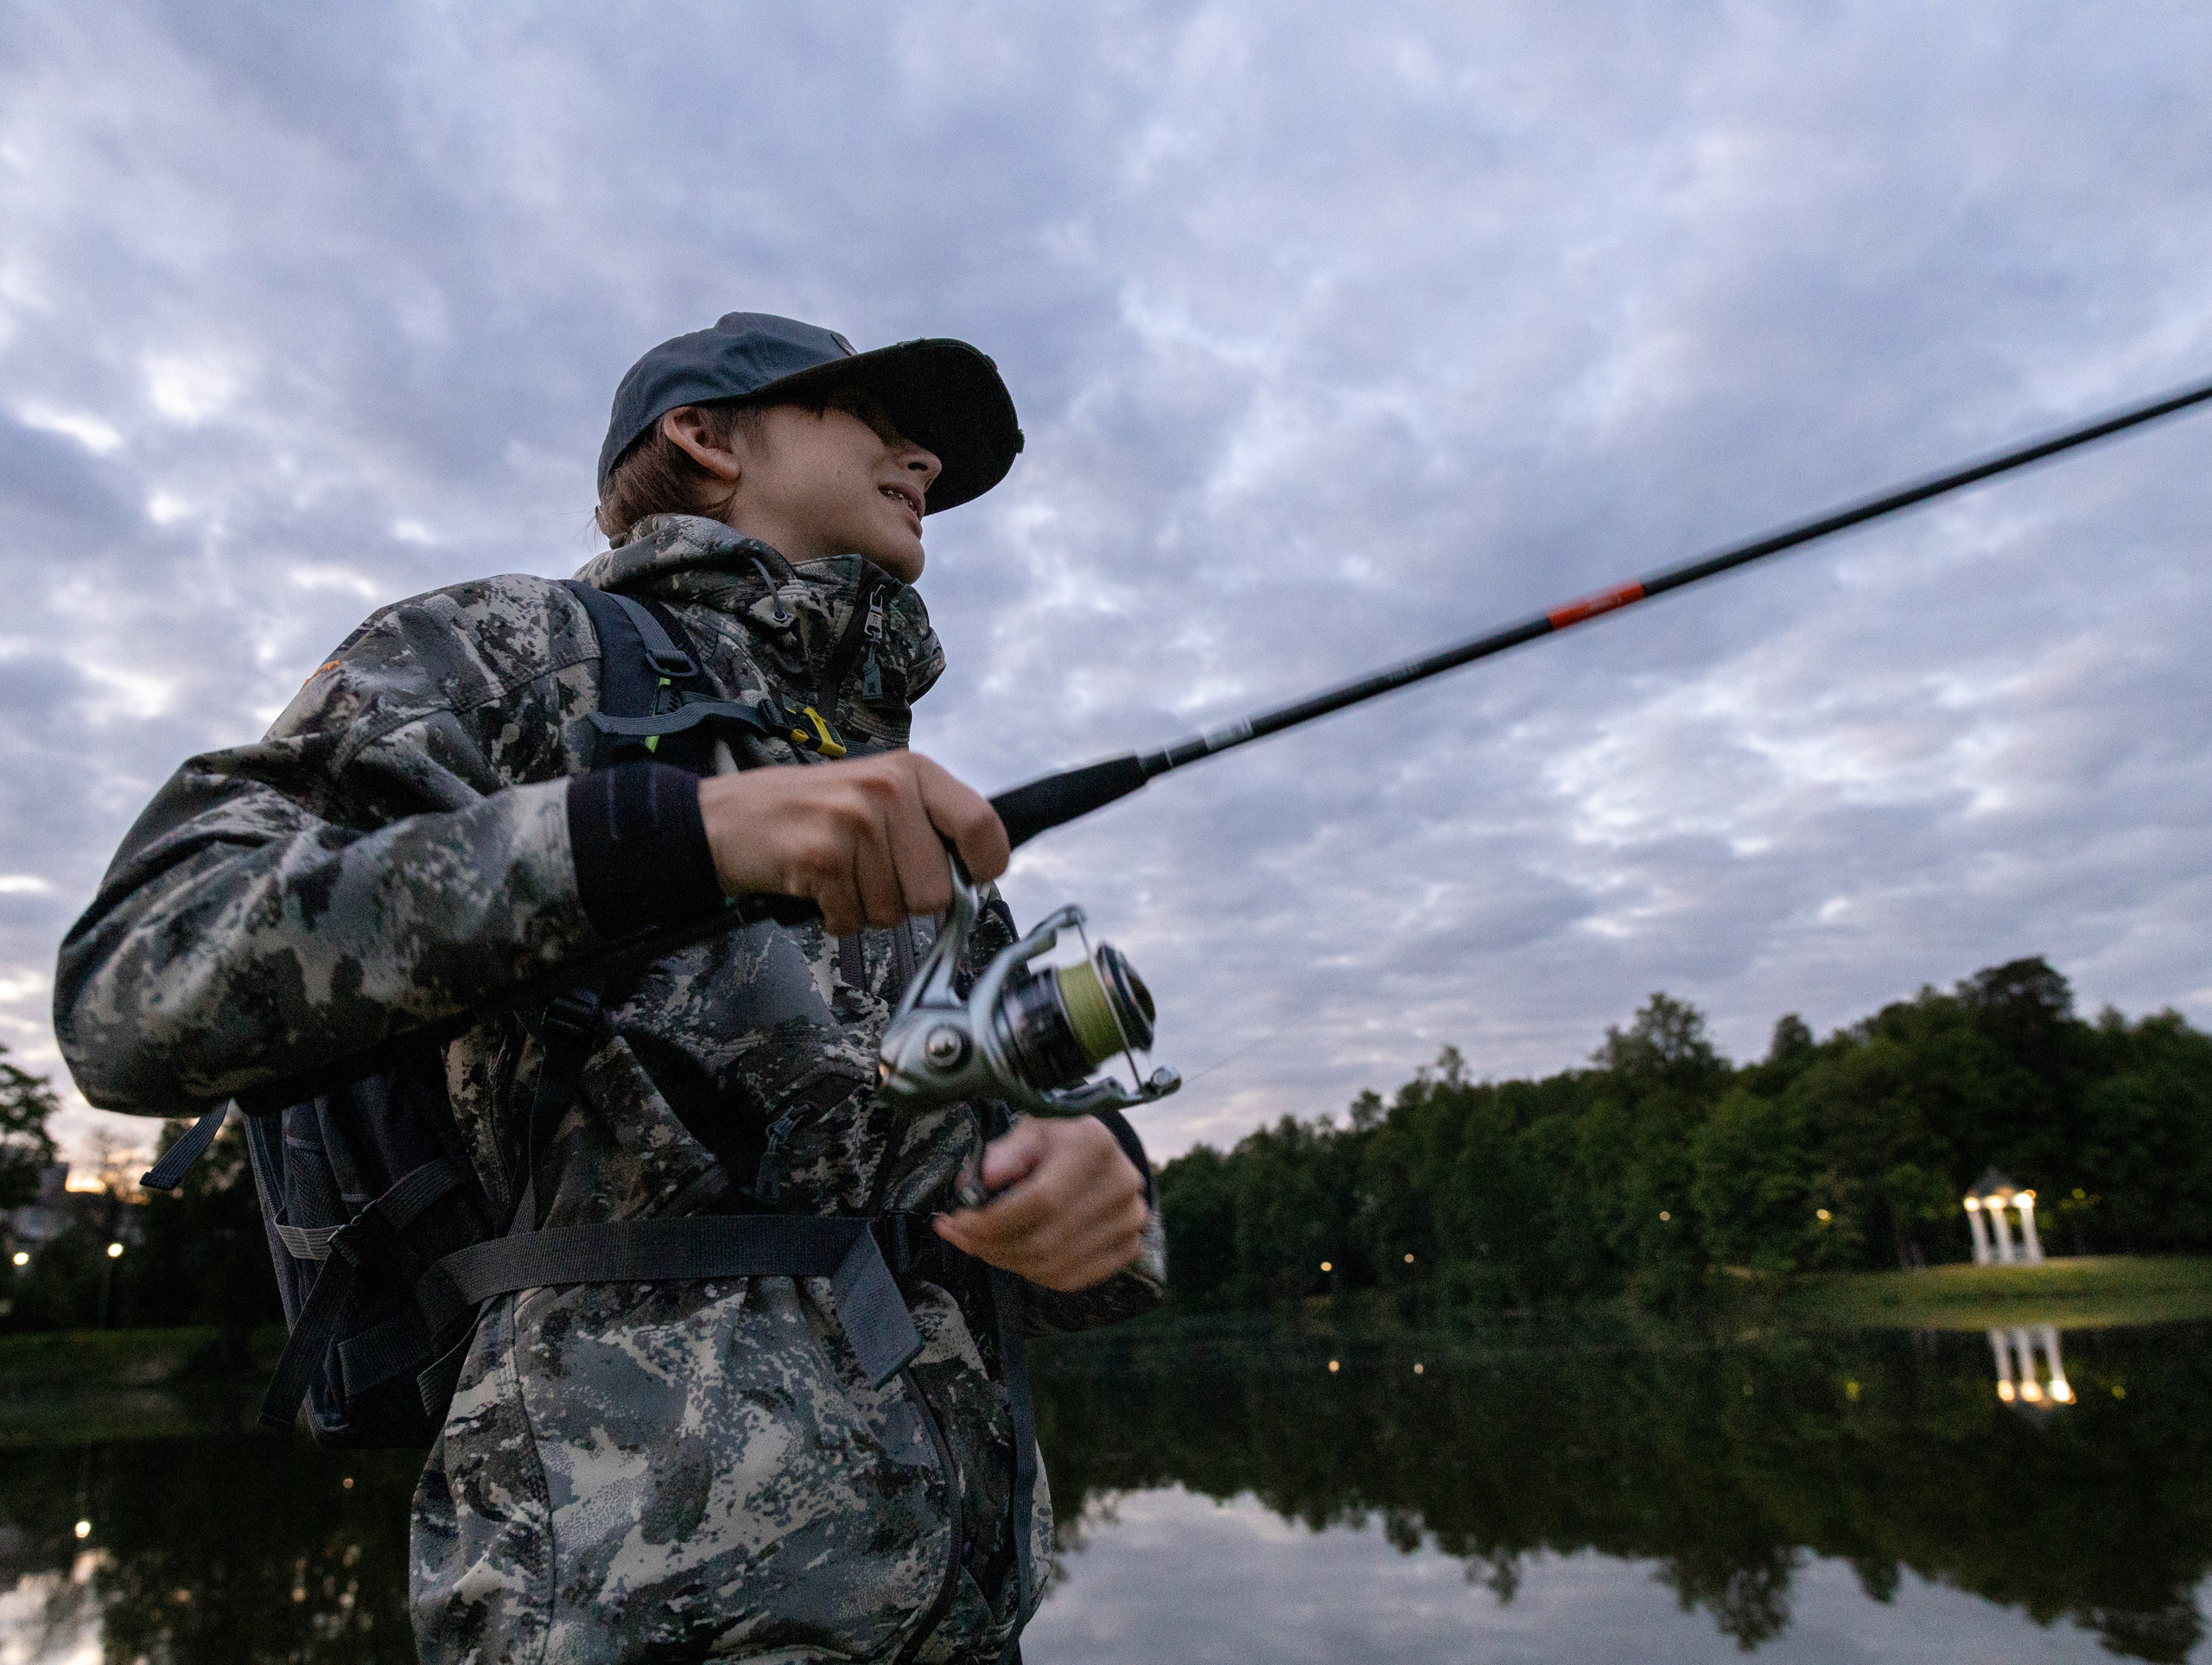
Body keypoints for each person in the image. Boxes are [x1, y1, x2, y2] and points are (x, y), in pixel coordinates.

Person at [54, 312, 1165, 1662]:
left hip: (967, 1624)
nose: (921, 455)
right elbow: (138, 981)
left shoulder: (882, 787)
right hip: (619, 1620)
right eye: (869, 414)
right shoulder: (510, 651)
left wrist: (1102, 1190)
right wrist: (668, 837)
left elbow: (1052, 1207)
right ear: (703, 437)